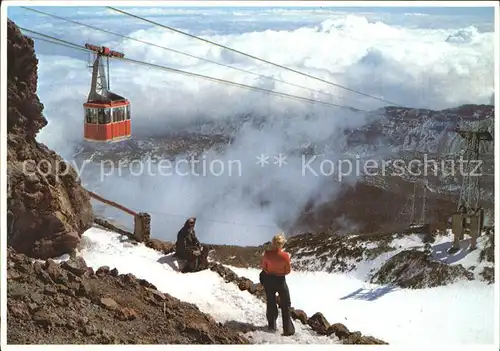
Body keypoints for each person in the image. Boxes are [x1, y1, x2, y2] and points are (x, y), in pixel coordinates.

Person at [259, 233, 295, 336]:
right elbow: (288, 270)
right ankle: (287, 329)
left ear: (273, 243)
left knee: (271, 301)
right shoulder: (285, 256)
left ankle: (272, 325)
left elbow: (264, 267)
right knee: (286, 303)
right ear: (282, 244)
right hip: (280, 280)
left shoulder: (267, 254)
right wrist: (280, 272)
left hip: (269, 280)